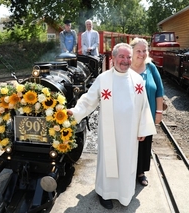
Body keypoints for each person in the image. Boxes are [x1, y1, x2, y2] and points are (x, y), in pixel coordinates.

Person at [67, 43, 157, 209]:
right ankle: (105, 193)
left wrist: (142, 128)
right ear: (113, 58)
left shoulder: (137, 79)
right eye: (121, 56)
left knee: (126, 163)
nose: (125, 60)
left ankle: (124, 193)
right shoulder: (104, 79)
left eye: (128, 57)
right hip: (109, 132)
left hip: (130, 133)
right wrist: (75, 111)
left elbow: (144, 105)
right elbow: (89, 100)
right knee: (109, 162)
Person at [130, 38, 164, 186]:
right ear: (132, 51)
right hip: (129, 117)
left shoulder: (151, 67)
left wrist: (159, 111)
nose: (142, 54)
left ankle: (140, 172)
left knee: (144, 146)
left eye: (144, 50)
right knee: (129, 145)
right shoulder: (125, 67)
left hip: (147, 115)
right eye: (138, 50)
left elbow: (160, 90)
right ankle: (128, 171)